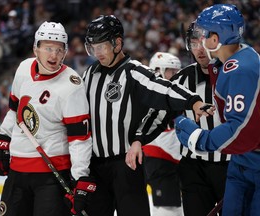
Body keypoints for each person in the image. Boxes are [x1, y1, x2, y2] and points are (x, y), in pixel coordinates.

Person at [82, 15, 211, 216]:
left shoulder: (134, 71)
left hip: (126, 162)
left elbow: (164, 88)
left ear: (117, 43)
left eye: (102, 46)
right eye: (93, 47)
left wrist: (193, 101)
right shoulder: (90, 73)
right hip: (94, 166)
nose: (97, 53)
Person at [0, 21, 96, 216]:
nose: (53, 55)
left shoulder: (72, 86)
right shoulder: (23, 69)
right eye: (47, 48)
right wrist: (3, 136)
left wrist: (80, 177)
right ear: (35, 49)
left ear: (65, 52)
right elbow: (14, 110)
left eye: (58, 49)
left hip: (51, 178)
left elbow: (79, 138)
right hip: (17, 172)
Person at [175, 4, 260, 215]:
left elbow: (241, 132)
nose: (199, 42)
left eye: (203, 34)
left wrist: (200, 139)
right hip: (243, 161)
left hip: (253, 161)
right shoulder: (231, 60)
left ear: (215, 39)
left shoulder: (240, 69)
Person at [141, 52, 184, 216]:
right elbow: (163, 136)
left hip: (167, 160)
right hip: (160, 161)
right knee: (168, 209)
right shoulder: (154, 96)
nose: (176, 75)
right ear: (158, 70)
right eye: (171, 71)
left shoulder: (170, 94)